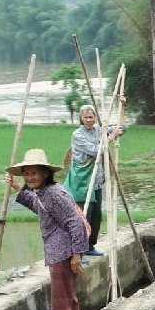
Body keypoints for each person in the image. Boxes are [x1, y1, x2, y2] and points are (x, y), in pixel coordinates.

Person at [6, 148, 89, 310]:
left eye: (35, 173)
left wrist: (77, 254)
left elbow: (75, 222)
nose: (30, 177)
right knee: (69, 295)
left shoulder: (53, 193)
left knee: (60, 299)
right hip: (59, 251)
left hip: (62, 252)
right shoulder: (45, 193)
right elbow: (39, 206)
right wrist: (18, 188)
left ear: (45, 173)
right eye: (26, 173)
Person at [63, 103, 124, 257]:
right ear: (81, 119)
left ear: (95, 118)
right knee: (83, 215)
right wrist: (110, 137)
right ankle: (78, 252)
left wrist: (121, 105)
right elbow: (95, 150)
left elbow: (121, 128)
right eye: (86, 117)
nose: (89, 120)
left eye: (92, 117)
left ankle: (90, 246)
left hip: (95, 179)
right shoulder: (78, 135)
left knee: (96, 216)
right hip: (82, 181)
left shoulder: (98, 129)